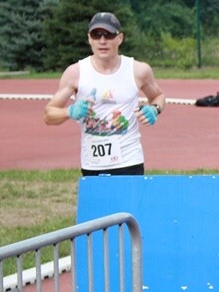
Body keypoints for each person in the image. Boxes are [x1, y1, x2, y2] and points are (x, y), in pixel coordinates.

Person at [44, 12, 166, 175]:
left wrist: (154, 109)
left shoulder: (138, 70)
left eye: (108, 35)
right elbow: (48, 115)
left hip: (130, 161)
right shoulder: (75, 72)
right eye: (96, 35)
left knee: (130, 201)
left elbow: (158, 96)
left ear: (119, 38)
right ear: (89, 38)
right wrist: (70, 112)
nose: (102, 41)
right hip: (93, 164)